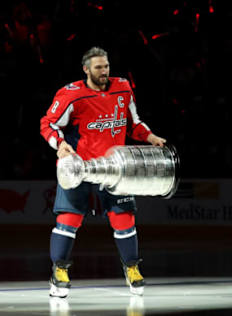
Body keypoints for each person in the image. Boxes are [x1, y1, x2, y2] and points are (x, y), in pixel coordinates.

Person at [40, 46, 166, 298]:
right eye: (98, 67)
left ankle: (132, 269)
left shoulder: (122, 88)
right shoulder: (71, 94)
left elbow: (134, 123)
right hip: (80, 169)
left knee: (124, 219)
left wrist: (150, 136)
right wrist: (60, 144)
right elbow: (48, 124)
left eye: (106, 66)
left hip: (116, 169)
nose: (104, 71)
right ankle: (59, 273)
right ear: (86, 69)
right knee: (68, 220)